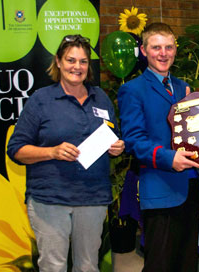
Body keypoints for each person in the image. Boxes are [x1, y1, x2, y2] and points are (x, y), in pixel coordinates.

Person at [7, 34, 125, 271]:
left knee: (88, 265)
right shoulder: (41, 100)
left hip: (93, 198)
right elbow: (16, 150)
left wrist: (117, 147)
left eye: (83, 61)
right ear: (58, 62)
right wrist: (52, 151)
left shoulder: (100, 98)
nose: (77, 67)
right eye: (71, 60)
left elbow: (113, 134)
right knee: (53, 266)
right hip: (50, 200)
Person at [117, 22, 199, 272]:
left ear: (175, 50)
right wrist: (170, 159)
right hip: (158, 187)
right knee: (160, 263)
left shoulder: (182, 87)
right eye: (156, 47)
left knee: (187, 262)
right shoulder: (132, 90)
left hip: (189, 185)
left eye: (169, 47)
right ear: (144, 51)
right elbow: (134, 140)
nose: (163, 53)